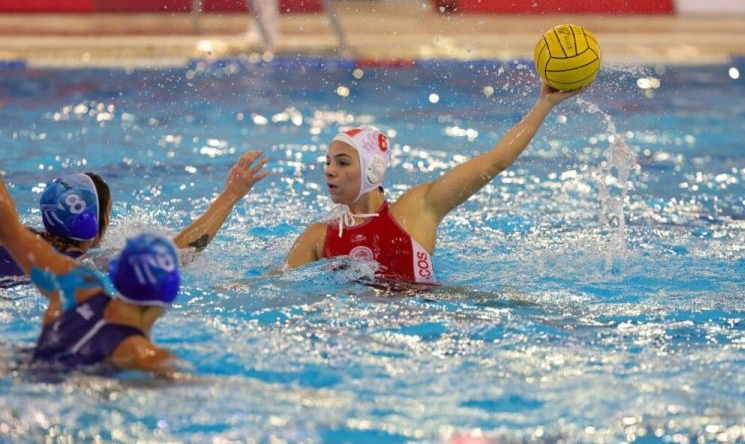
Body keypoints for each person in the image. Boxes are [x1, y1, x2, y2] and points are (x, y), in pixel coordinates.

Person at [285, 82, 585, 283]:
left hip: (425, 314)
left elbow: (496, 161)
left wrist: (544, 104)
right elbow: (273, 288)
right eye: (327, 162)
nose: (329, 171)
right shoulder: (316, 238)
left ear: (373, 169)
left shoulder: (416, 209)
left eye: (342, 162)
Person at [0, 172, 182, 373]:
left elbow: (10, 229)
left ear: (116, 274)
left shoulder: (78, 285)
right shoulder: (145, 356)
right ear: (172, 292)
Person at [0, 151, 269, 283]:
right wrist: (230, 195)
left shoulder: (15, 239)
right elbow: (179, 253)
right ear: (91, 222)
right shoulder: (88, 264)